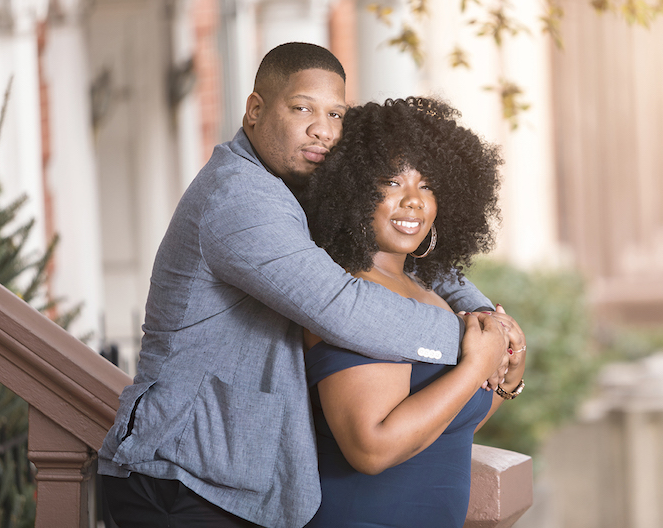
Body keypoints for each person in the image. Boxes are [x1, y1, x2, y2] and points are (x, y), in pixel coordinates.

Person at [98, 43, 510, 528]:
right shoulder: (241, 199)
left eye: (336, 113)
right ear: (255, 111)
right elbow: (345, 307)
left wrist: (484, 313)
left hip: (236, 484)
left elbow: (410, 258)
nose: (323, 129)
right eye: (302, 109)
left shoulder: (295, 188)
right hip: (178, 479)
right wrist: (475, 345)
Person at [301, 97, 527, 527]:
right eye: (392, 183)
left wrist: (508, 379)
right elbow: (372, 448)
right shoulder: (354, 296)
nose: (413, 201)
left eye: (427, 186)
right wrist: (474, 364)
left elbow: (443, 427)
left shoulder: (426, 293)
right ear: (352, 189)